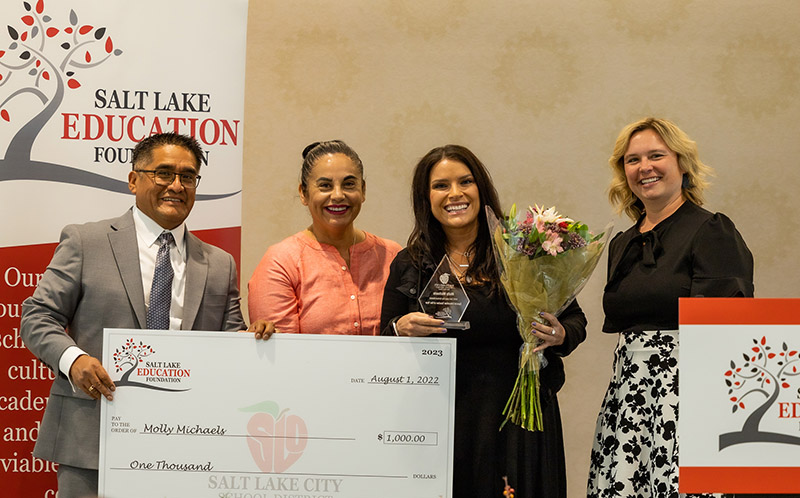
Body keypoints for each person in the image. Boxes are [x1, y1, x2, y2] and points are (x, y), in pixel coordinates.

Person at [20, 132, 274, 498]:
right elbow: (37, 315)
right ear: (133, 179)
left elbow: (228, 342)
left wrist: (253, 338)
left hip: (187, 443)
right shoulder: (85, 241)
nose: (176, 185)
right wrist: (73, 361)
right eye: (164, 173)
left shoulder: (218, 263)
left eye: (188, 176)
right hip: (95, 433)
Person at [380, 144, 587, 498]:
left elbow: (575, 321)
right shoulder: (411, 263)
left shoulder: (521, 250)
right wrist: (402, 328)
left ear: (481, 189)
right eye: (441, 185)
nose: (455, 194)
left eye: (465, 182)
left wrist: (559, 333)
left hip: (519, 418)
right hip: (442, 422)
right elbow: (386, 332)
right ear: (425, 197)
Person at [587, 118, 754, 498]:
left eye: (656, 155)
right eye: (633, 160)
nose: (644, 167)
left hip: (689, 398)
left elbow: (729, 331)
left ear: (682, 164)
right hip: (627, 400)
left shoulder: (712, 230)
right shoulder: (623, 244)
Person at [248, 140, 401, 335]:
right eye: (325, 186)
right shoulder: (280, 262)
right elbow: (280, 355)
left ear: (363, 190)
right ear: (303, 193)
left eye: (349, 184)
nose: (338, 195)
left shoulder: (392, 255)